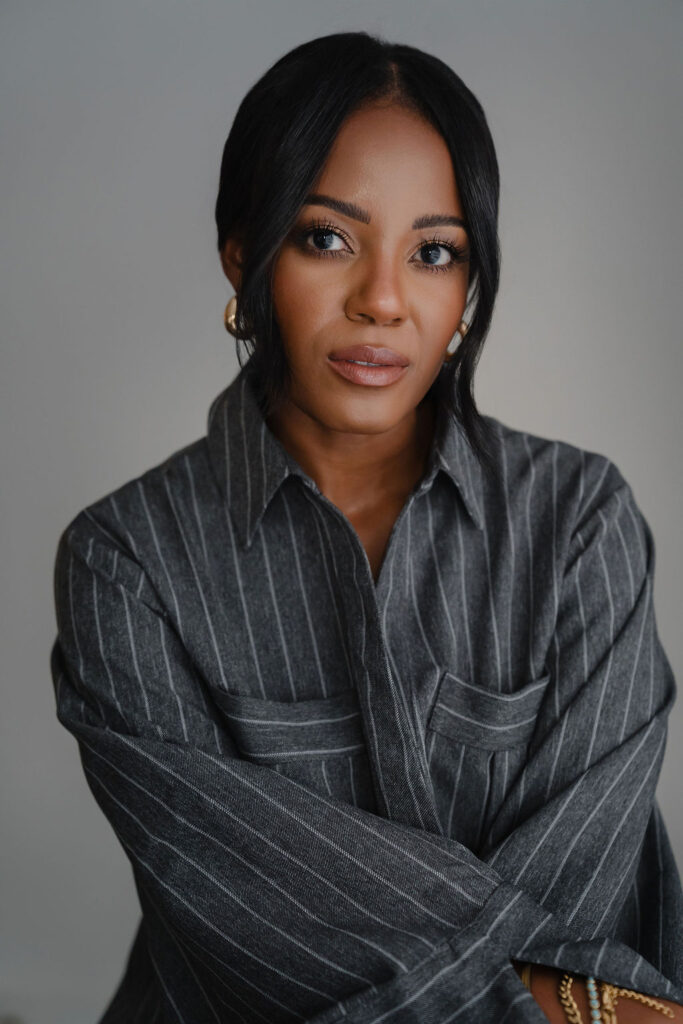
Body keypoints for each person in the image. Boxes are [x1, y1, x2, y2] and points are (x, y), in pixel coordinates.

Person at [50, 30, 682, 1023]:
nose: (382, 300)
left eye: (434, 252)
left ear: (465, 291)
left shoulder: (577, 524)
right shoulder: (127, 564)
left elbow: (585, 892)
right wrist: (555, 998)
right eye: (326, 238)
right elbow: (254, 928)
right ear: (242, 258)